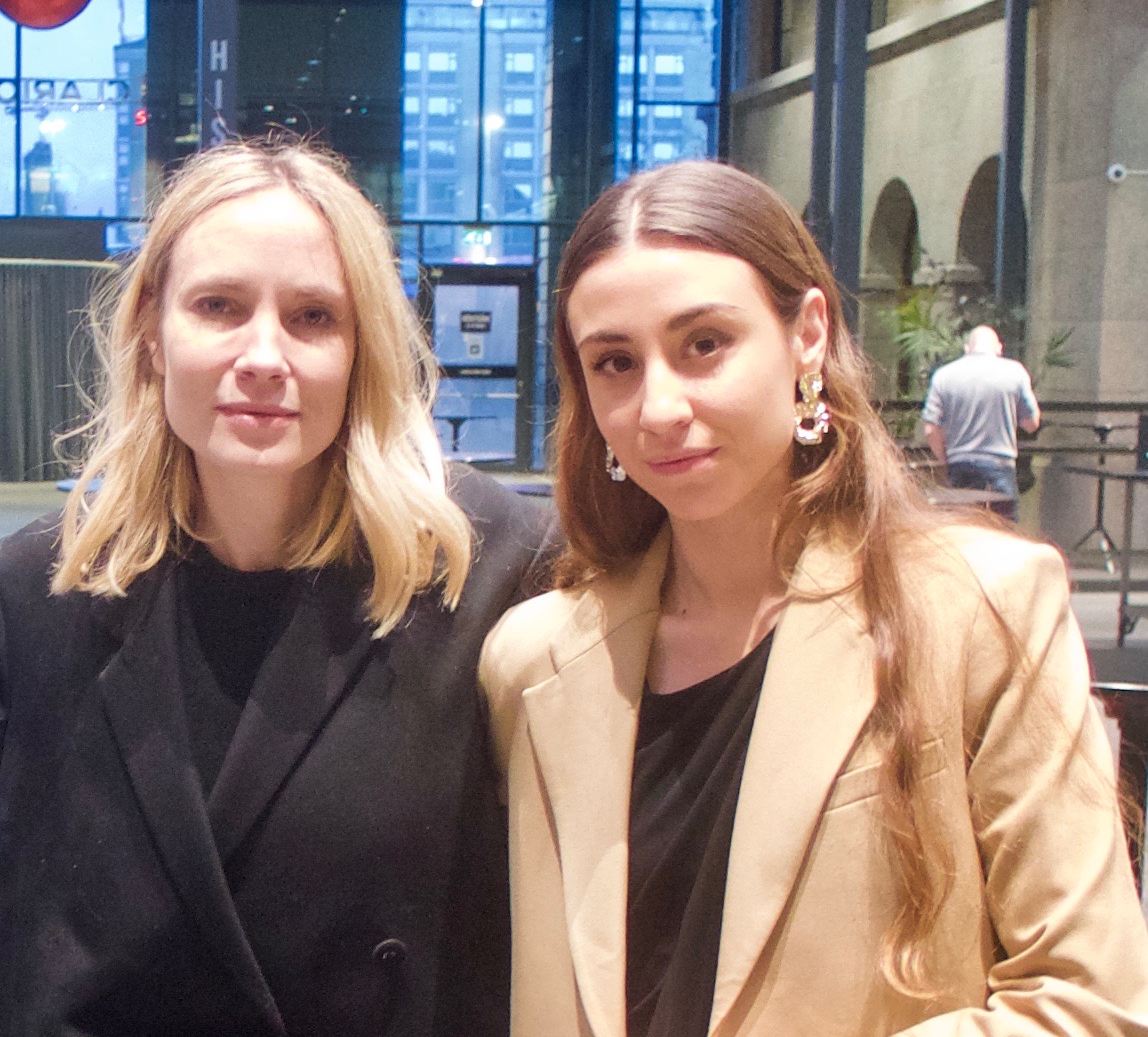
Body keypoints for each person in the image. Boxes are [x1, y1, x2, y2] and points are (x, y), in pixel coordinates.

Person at [480, 160, 1148, 1037]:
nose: (661, 406)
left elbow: (1088, 999)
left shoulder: (977, 607)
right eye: (615, 362)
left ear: (808, 336)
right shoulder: (533, 660)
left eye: (704, 344)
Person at [0, 139, 558, 1037]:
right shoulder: (40, 592)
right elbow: (14, 927)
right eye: (218, 306)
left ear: (363, 348)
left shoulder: (491, 573)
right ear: (150, 334)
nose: (263, 355)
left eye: (313, 317)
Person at [921, 324, 1041, 520]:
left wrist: (944, 459)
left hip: (959, 465)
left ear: (967, 348)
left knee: (962, 527)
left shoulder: (944, 375)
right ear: (999, 348)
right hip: (999, 464)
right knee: (1003, 529)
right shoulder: (1015, 372)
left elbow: (930, 429)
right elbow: (1031, 423)